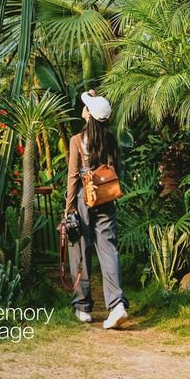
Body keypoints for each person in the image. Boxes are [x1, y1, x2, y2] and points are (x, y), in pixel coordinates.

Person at [64, 89, 128, 329]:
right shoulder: (110, 139)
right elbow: (116, 170)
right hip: (106, 198)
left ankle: (83, 307)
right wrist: (94, 97)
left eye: (87, 106)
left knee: (80, 250)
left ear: (88, 115)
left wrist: (69, 208)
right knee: (108, 251)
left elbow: (72, 177)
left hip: (82, 198)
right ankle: (117, 305)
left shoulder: (77, 141)